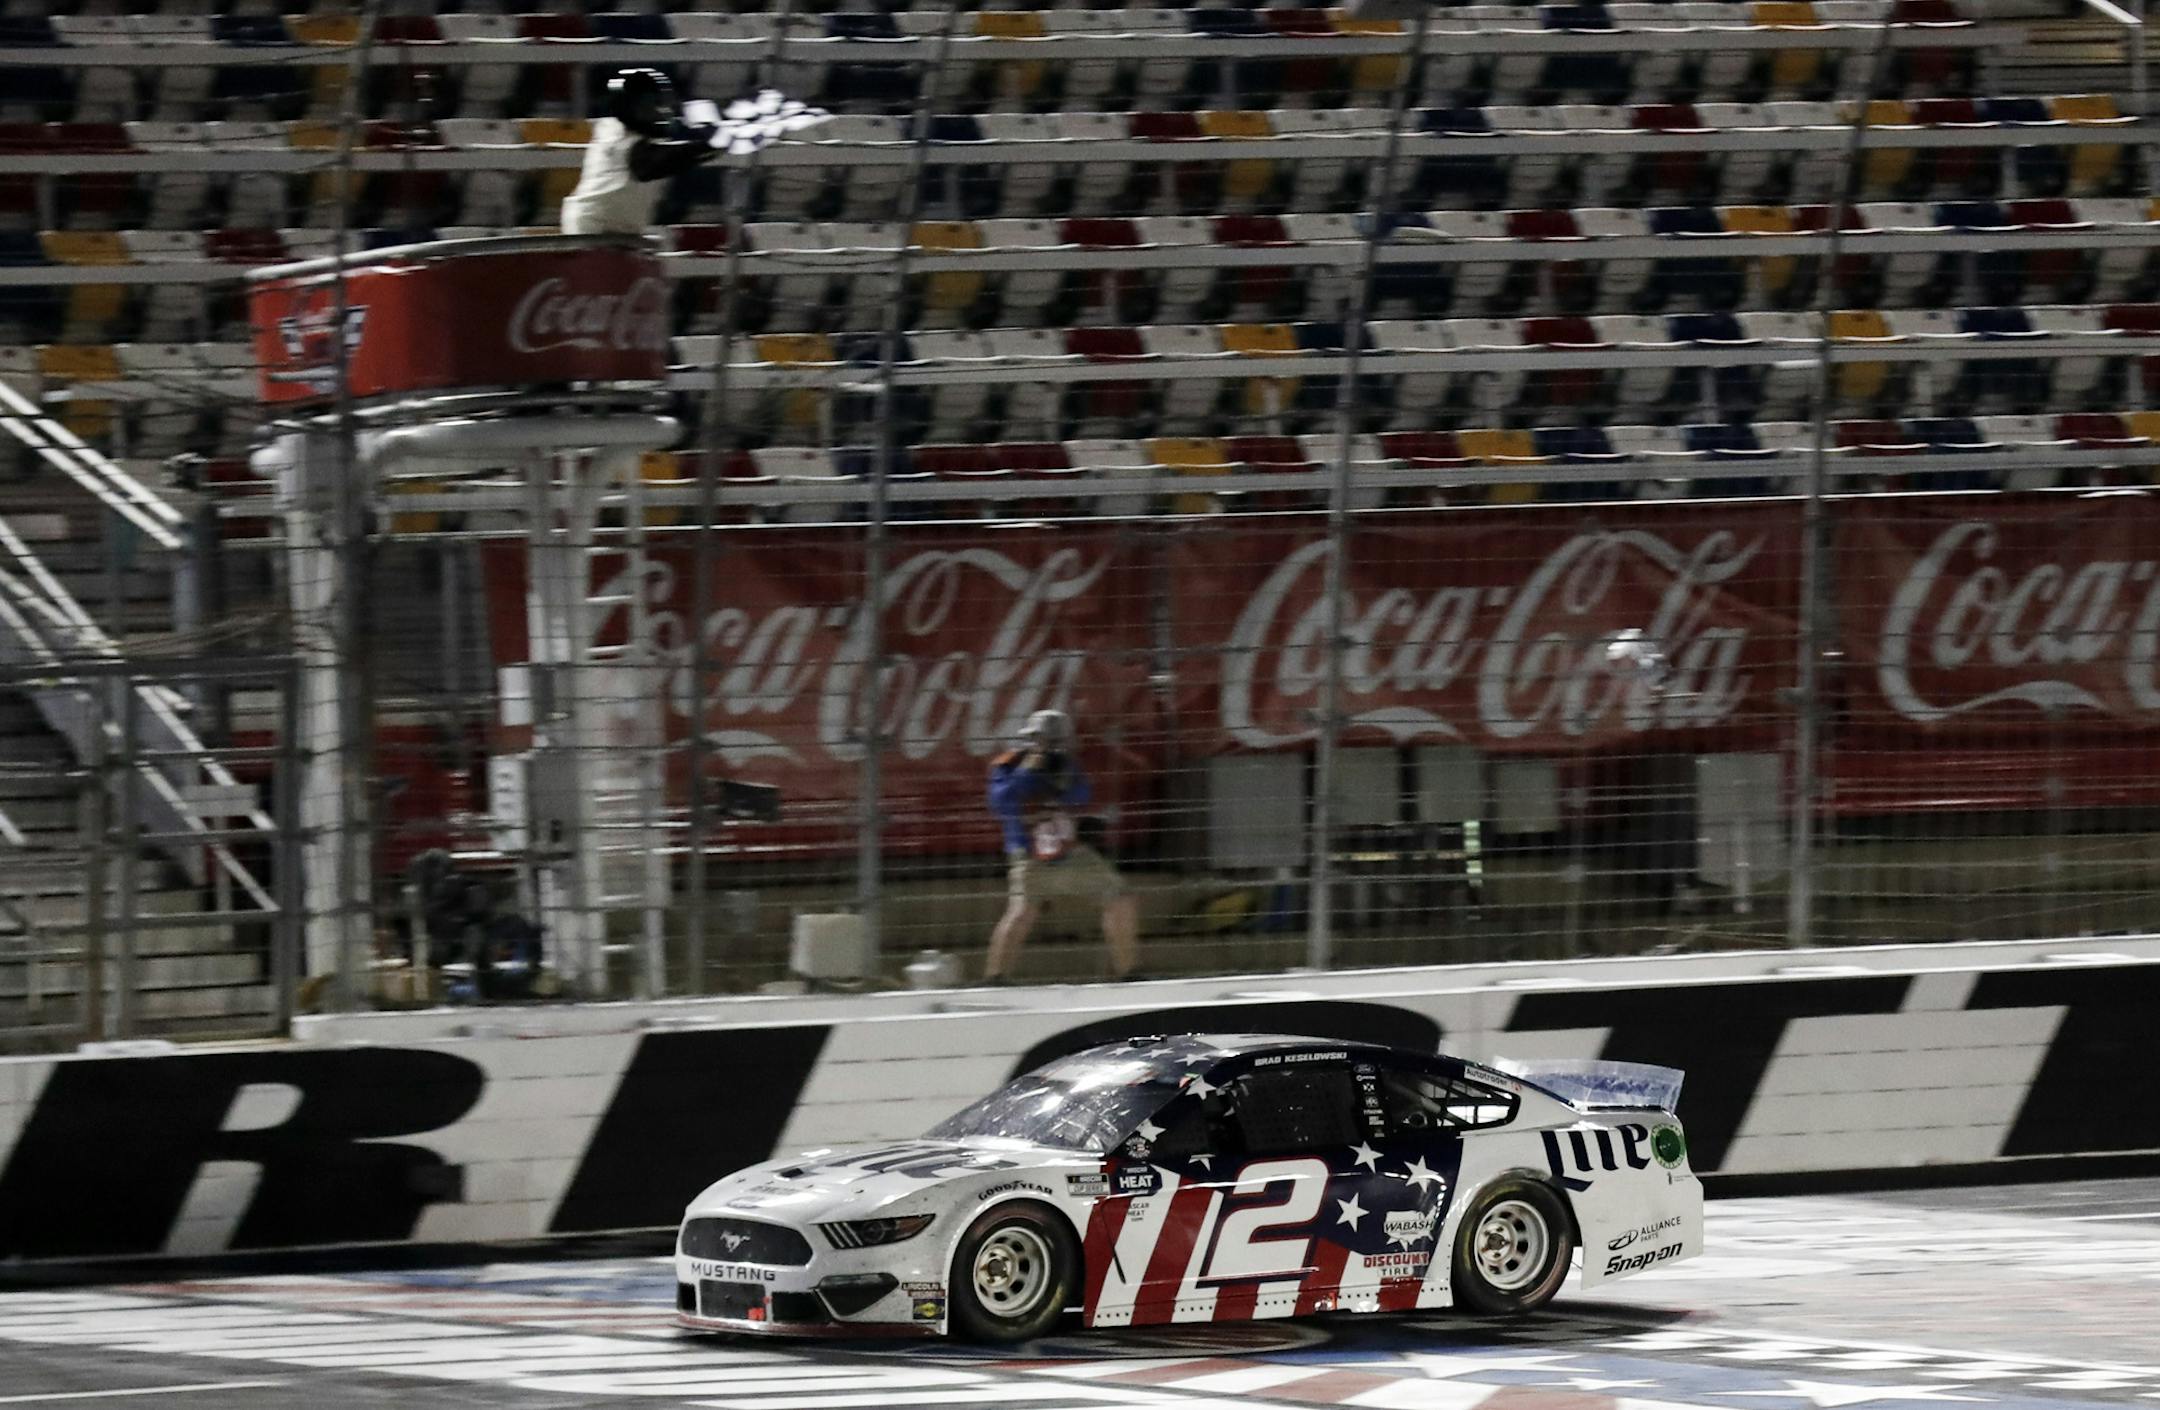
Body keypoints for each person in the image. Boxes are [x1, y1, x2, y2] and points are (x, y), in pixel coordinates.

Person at [983, 709, 1141, 984]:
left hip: (1068, 850)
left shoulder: (1064, 763)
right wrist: (1029, 770)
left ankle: (1128, 973)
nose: (1050, 746)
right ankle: (995, 978)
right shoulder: (1008, 765)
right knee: (1022, 912)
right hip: (1029, 854)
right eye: (1045, 740)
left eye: (1055, 740)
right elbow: (1001, 803)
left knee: (1120, 898)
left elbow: (1082, 795)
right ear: (1031, 738)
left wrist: (1059, 774)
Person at [560, 68, 718, 236]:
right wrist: (708, 145)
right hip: (593, 225)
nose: (662, 112)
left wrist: (712, 144)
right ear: (629, 106)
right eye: (652, 103)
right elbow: (647, 166)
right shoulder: (615, 133)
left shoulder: (645, 136)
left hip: (624, 228)